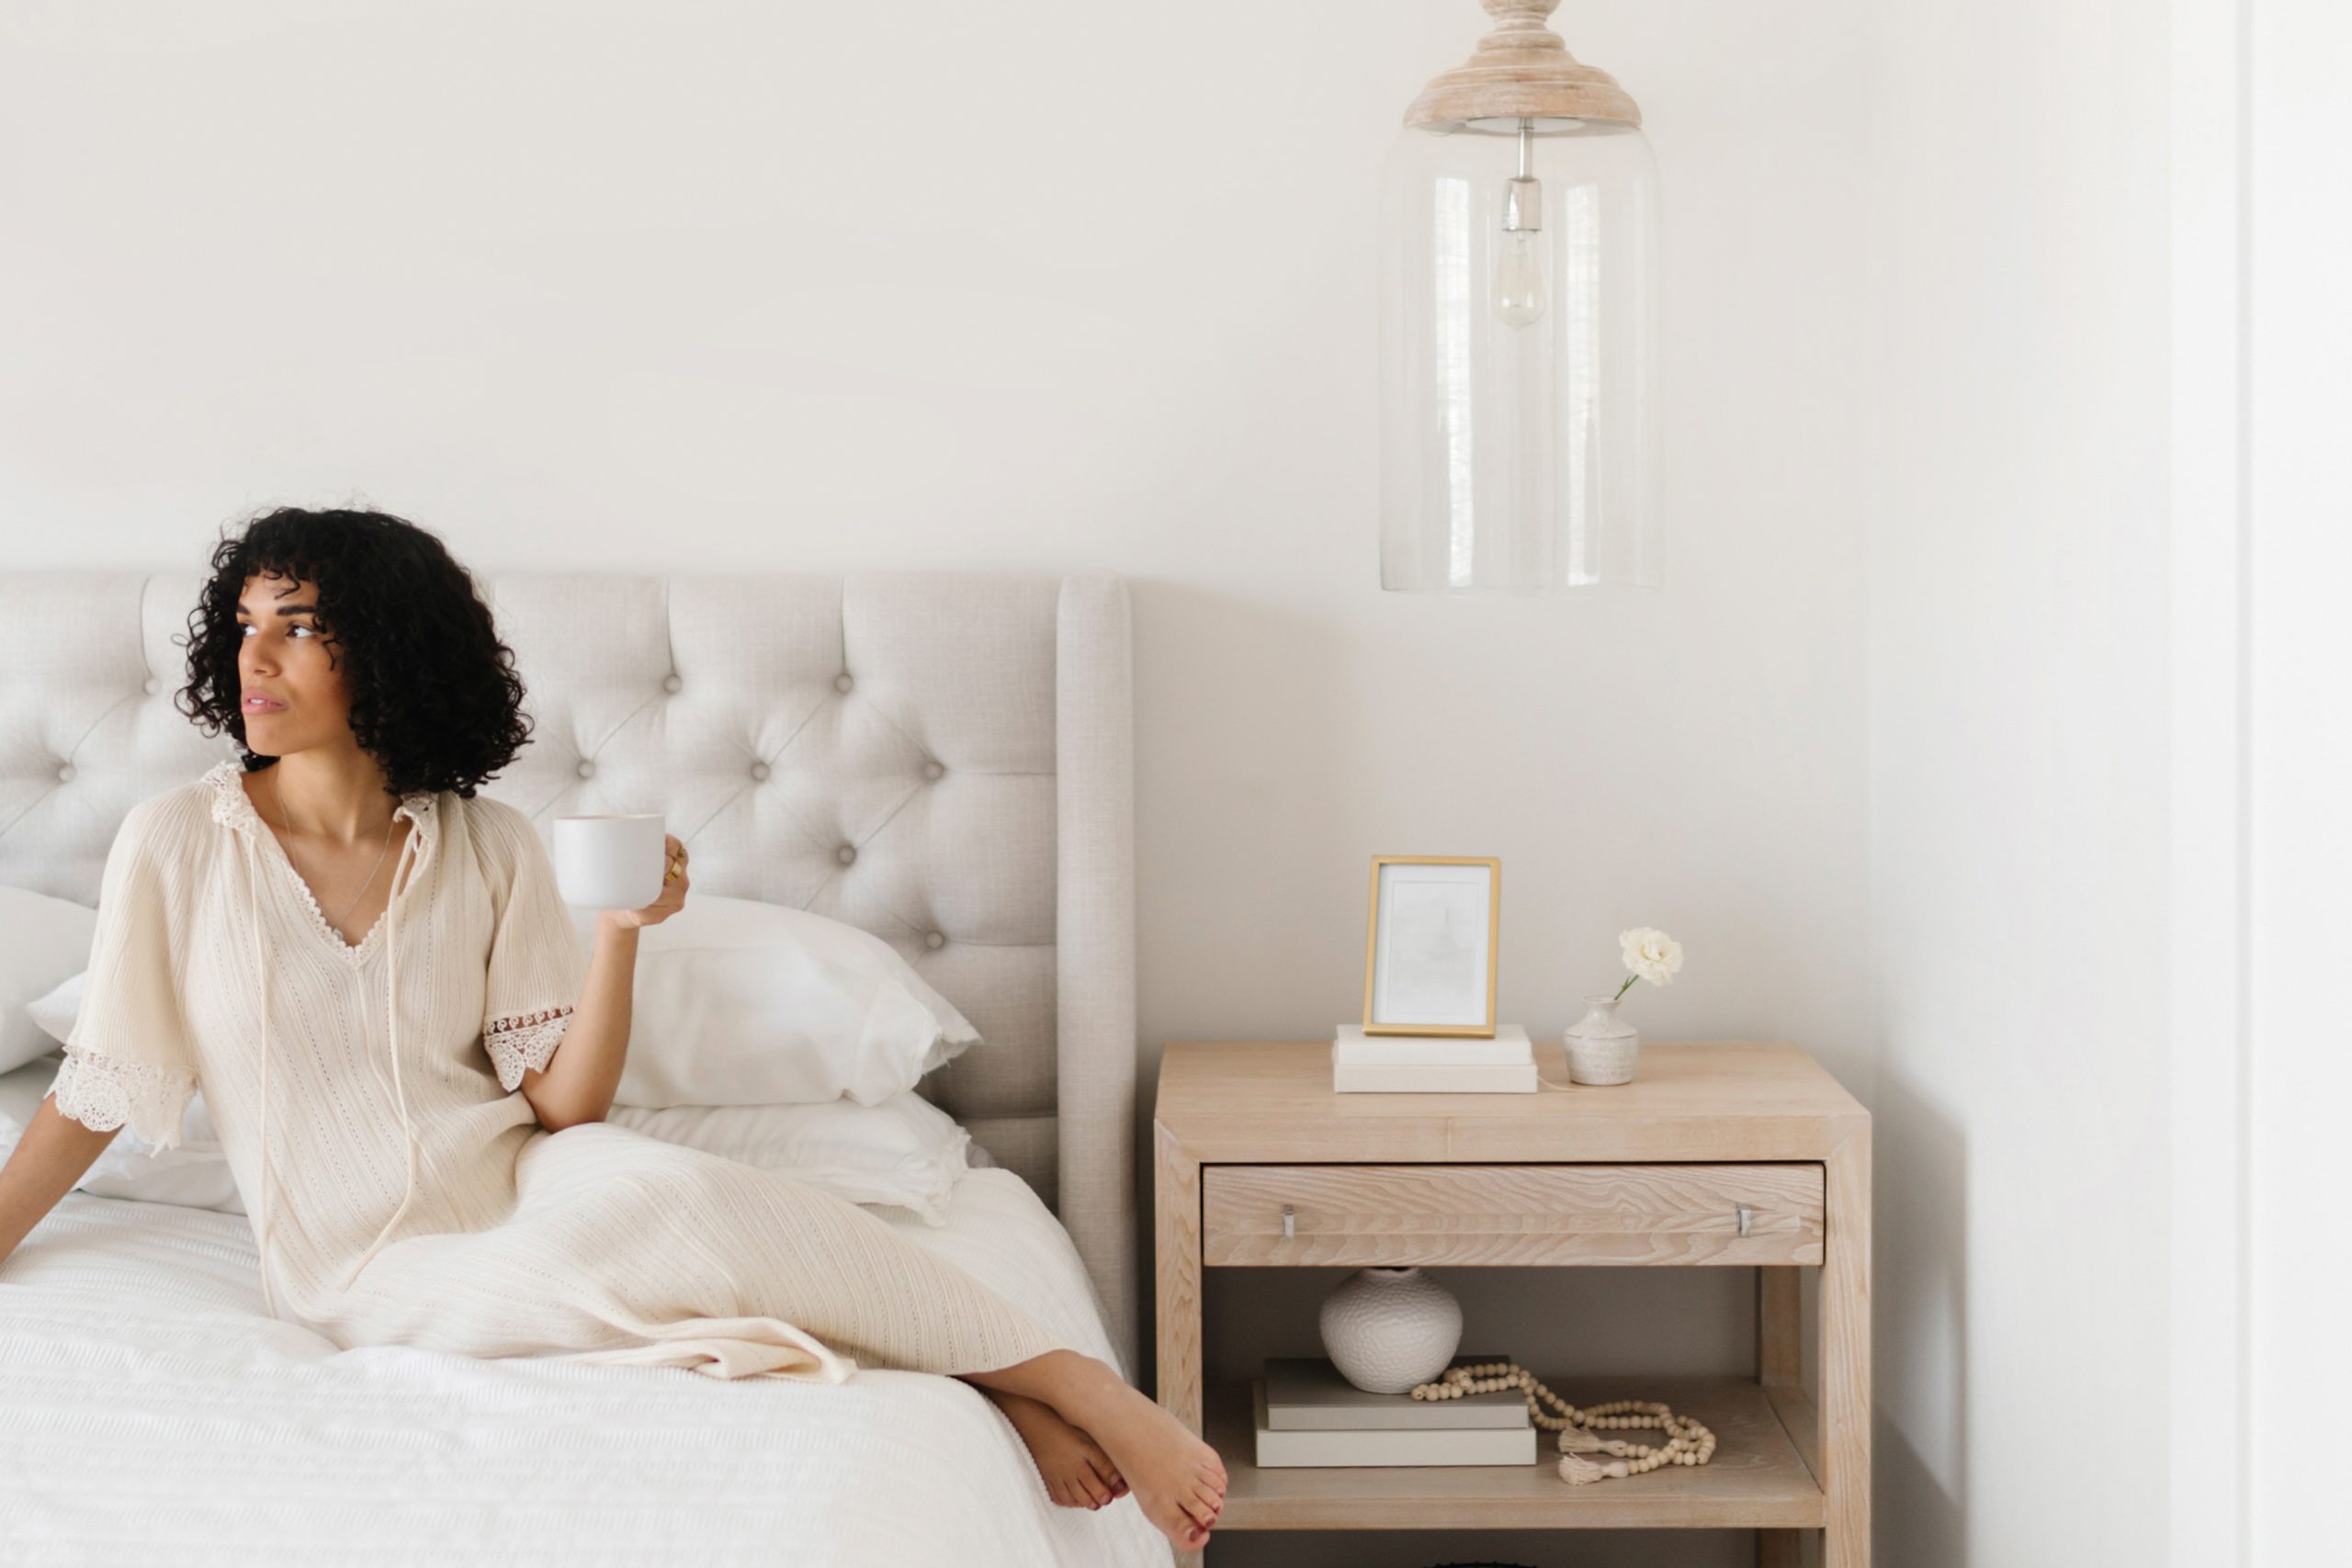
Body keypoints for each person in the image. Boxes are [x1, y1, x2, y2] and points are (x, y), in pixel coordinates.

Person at [0, 507, 1224, 1551]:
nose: (254, 658)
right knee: (595, 1278)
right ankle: (1011, 1383)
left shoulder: (488, 844)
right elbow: (97, 1089)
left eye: (299, 627)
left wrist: (622, 933)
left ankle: (1052, 1376)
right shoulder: (179, 844)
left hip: (527, 1176)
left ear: (387, 650)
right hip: (360, 1265)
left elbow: (562, 1105)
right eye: (244, 626)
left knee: (688, 1199)